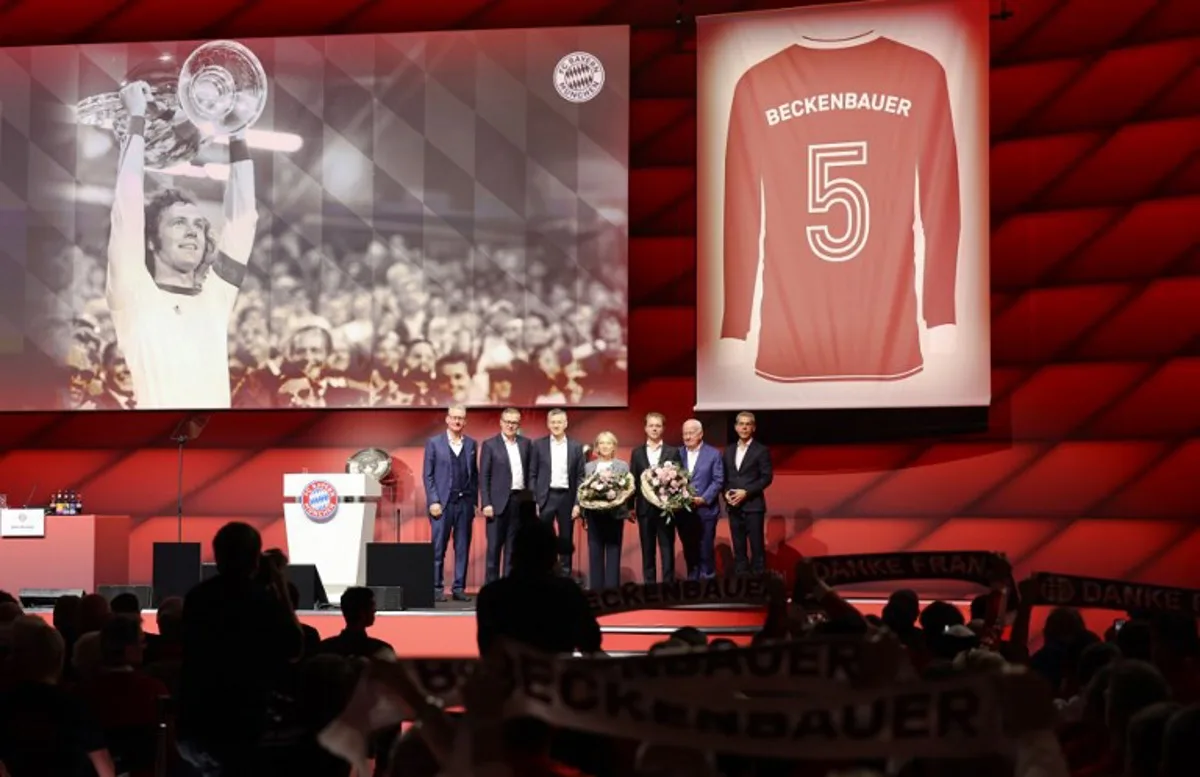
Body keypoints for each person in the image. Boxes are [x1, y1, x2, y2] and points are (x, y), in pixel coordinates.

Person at [105, 81, 259, 410]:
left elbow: (244, 220)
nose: (193, 233)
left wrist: (237, 132)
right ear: (150, 238)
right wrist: (137, 118)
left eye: (199, 226)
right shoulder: (132, 293)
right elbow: (127, 208)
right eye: (178, 223)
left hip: (218, 450)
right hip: (154, 451)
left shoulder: (217, 298)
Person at [175, 522, 303, 775]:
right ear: (255, 560)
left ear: (218, 558)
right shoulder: (263, 602)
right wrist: (279, 587)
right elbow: (294, 647)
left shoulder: (197, 597)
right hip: (242, 724)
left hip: (196, 722)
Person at [475, 521, 601, 656]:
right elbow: (590, 642)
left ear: (513, 556)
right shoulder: (567, 592)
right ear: (551, 558)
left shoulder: (490, 595)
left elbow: (486, 648)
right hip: (554, 674)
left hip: (508, 675)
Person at [422, 404, 478, 602]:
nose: (457, 421)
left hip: (464, 504)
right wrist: (433, 501)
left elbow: (474, 474)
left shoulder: (471, 444)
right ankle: (436, 588)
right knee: (438, 548)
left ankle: (458, 588)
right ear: (447, 419)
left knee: (462, 547)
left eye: (461, 418)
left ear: (465, 421)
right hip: (442, 505)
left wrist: (474, 502)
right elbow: (427, 475)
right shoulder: (434, 443)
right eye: (454, 417)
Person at [479, 407, 533, 583]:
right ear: (501, 422)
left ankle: (509, 589)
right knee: (494, 548)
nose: (511, 425)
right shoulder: (490, 444)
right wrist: (486, 503)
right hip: (496, 504)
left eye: (514, 422)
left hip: (519, 502)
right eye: (508, 422)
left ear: (519, 424)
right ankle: (491, 589)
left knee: (513, 550)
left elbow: (530, 474)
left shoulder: (526, 444)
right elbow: (484, 476)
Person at [530, 408, 586, 576]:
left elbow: (581, 477)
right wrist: (534, 501)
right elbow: (532, 474)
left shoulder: (576, 447)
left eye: (559, 422)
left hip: (567, 498)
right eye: (553, 422)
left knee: (566, 538)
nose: (556, 425)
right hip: (545, 498)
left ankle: (565, 574)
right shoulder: (538, 445)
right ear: (548, 424)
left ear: (566, 424)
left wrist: (577, 504)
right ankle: (544, 573)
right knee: (543, 539)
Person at [629, 411, 682, 583]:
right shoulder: (637, 453)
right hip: (644, 509)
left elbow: (680, 479)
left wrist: (674, 502)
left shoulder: (673, 452)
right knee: (647, 550)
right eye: (651, 425)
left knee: (667, 549)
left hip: (665, 509)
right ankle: (650, 588)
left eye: (658, 426)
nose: (654, 429)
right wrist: (630, 507)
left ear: (663, 429)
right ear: (645, 428)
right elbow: (633, 481)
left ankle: (668, 587)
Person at [722, 411, 774, 575]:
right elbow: (724, 476)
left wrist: (746, 492)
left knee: (757, 549)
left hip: (753, 506)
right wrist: (725, 493)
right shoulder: (729, 450)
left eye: (748, 424)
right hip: (734, 507)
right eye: (741, 424)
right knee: (739, 550)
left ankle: (759, 588)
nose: (744, 427)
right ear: (736, 427)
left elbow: (766, 477)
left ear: (753, 428)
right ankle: (742, 589)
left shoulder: (761, 450)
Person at [580, 431, 632, 591]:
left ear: (614, 446)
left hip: (614, 515)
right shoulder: (589, 466)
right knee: (594, 553)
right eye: (601, 443)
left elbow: (627, 489)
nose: (605, 446)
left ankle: (612, 592)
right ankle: (596, 591)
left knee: (613, 552)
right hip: (594, 515)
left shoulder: (622, 465)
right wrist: (583, 515)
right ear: (597, 446)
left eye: (609, 443)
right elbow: (582, 491)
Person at [677, 418, 724, 580]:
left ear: (701, 434)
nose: (687, 437)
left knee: (705, 549)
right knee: (689, 549)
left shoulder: (714, 454)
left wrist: (703, 499)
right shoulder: (678, 454)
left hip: (706, 510)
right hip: (683, 512)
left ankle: (708, 581)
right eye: (685, 433)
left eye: (691, 433)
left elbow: (718, 480)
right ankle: (692, 584)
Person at [316, 587, 394, 659]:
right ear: (362, 612)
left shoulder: (325, 648)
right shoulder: (382, 651)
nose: (374, 611)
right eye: (372, 607)